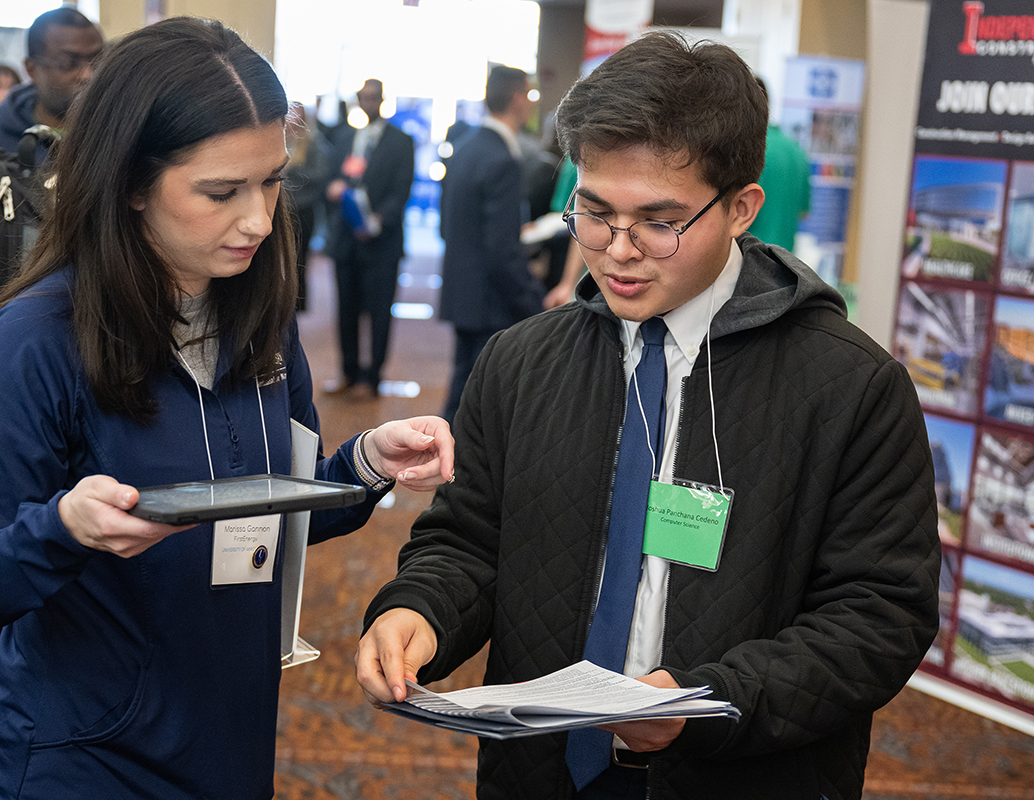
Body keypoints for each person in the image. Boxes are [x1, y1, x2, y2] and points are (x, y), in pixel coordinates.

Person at [357, 31, 939, 800]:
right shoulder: (521, 361)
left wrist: (706, 701)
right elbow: (468, 539)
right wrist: (419, 609)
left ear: (740, 208)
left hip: (741, 774)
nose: (619, 251)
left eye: (659, 222)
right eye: (594, 213)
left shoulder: (850, 386)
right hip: (539, 771)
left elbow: (880, 615)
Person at [0, 18, 453, 800]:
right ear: (131, 182)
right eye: (220, 192)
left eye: (272, 180)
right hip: (76, 763)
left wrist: (363, 466)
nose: (259, 220)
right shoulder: (33, 342)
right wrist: (62, 529)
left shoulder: (256, 316)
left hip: (224, 743)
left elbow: (265, 512)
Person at [438, 65, 544, 424]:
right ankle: (454, 474)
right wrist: (532, 299)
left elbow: (449, 222)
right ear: (516, 99)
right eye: (529, 95)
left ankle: (448, 469)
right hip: (490, 297)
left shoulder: (466, 147)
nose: (531, 104)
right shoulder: (503, 158)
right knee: (480, 402)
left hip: (463, 287)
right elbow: (502, 249)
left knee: (463, 387)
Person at [324, 78, 415, 399]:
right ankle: (348, 373)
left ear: (383, 100)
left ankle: (371, 378)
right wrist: (333, 188)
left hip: (381, 242)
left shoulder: (401, 141)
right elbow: (331, 177)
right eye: (363, 98)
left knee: (378, 313)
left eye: (374, 98)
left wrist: (378, 220)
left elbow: (402, 189)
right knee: (345, 310)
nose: (368, 103)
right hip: (345, 240)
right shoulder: (346, 136)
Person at [0, 6, 102, 163]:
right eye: (68, 62)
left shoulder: (115, 138)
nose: (88, 75)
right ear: (32, 69)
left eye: (98, 61)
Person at [746, 76, 811, 252]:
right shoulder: (796, 151)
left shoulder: (746, 150)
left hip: (749, 259)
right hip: (785, 264)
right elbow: (804, 212)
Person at [284, 101, 333, 311]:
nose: (294, 119)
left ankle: (297, 304)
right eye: (291, 115)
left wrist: (293, 169)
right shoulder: (279, 139)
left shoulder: (313, 143)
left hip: (303, 209)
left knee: (299, 259)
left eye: (298, 115)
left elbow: (320, 176)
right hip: (281, 209)